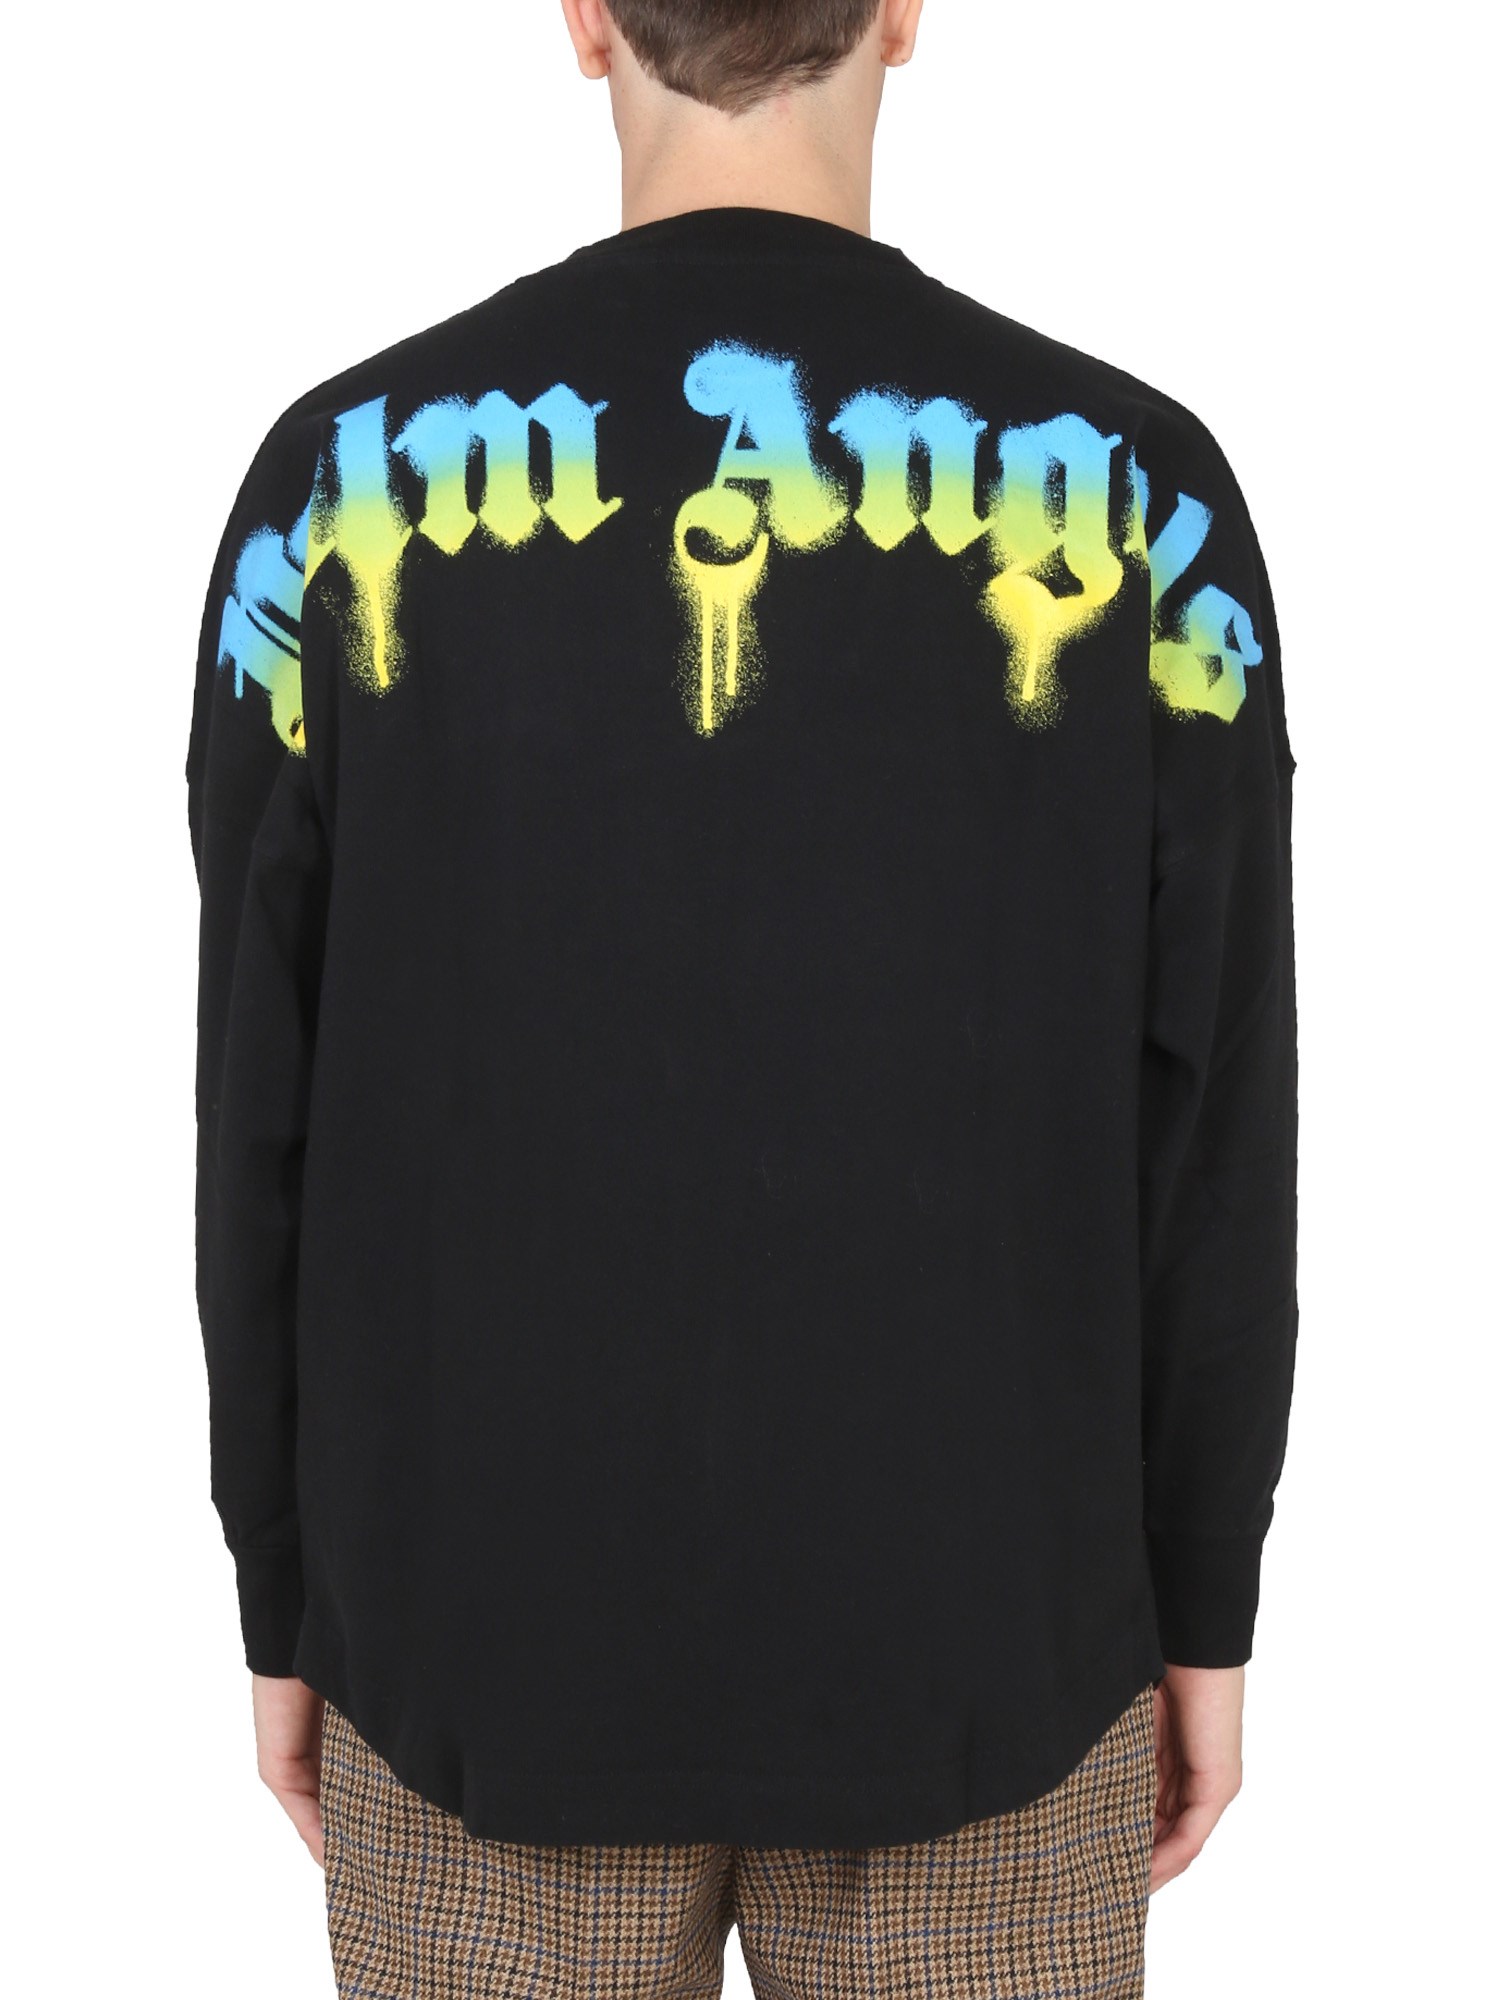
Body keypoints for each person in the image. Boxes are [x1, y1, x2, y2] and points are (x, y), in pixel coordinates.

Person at [185, 2, 1299, 1993]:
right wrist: (1203, 1603)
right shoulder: (1146, 498)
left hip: (471, 1658)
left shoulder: (334, 490)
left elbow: (258, 1103)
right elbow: (1215, 1120)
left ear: (583, 19)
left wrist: (284, 1597)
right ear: (904, 12)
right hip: (989, 1661)